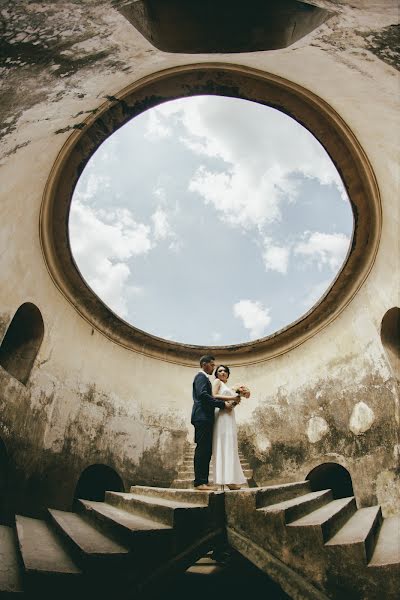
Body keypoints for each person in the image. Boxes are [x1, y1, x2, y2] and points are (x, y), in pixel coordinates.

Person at [191, 355, 234, 491]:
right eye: (212, 364)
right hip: (202, 417)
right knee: (202, 449)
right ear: (204, 364)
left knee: (206, 450)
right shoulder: (201, 377)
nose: (214, 367)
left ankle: (203, 481)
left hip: (206, 418)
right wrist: (222, 405)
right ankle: (199, 483)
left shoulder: (204, 378)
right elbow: (204, 396)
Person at [211, 365, 247, 490]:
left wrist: (236, 401)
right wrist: (233, 398)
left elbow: (232, 403)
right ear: (216, 373)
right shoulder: (217, 382)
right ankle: (225, 480)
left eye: (225, 371)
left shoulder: (229, 387)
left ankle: (229, 478)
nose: (222, 373)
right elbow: (214, 395)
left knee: (230, 445)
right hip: (221, 415)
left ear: (228, 374)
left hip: (230, 415)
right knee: (224, 444)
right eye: (219, 371)